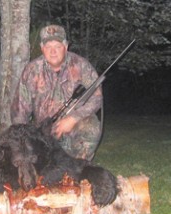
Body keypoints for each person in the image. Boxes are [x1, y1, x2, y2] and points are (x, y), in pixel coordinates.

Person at [11, 25, 102, 161]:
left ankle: (80, 166)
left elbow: (96, 99)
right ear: (42, 48)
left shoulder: (81, 65)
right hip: (43, 133)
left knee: (91, 126)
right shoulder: (31, 70)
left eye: (57, 46)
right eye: (48, 47)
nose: (53, 51)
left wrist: (73, 118)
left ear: (65, 46)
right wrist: (23, 139)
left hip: (72, 128)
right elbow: (20, 111)